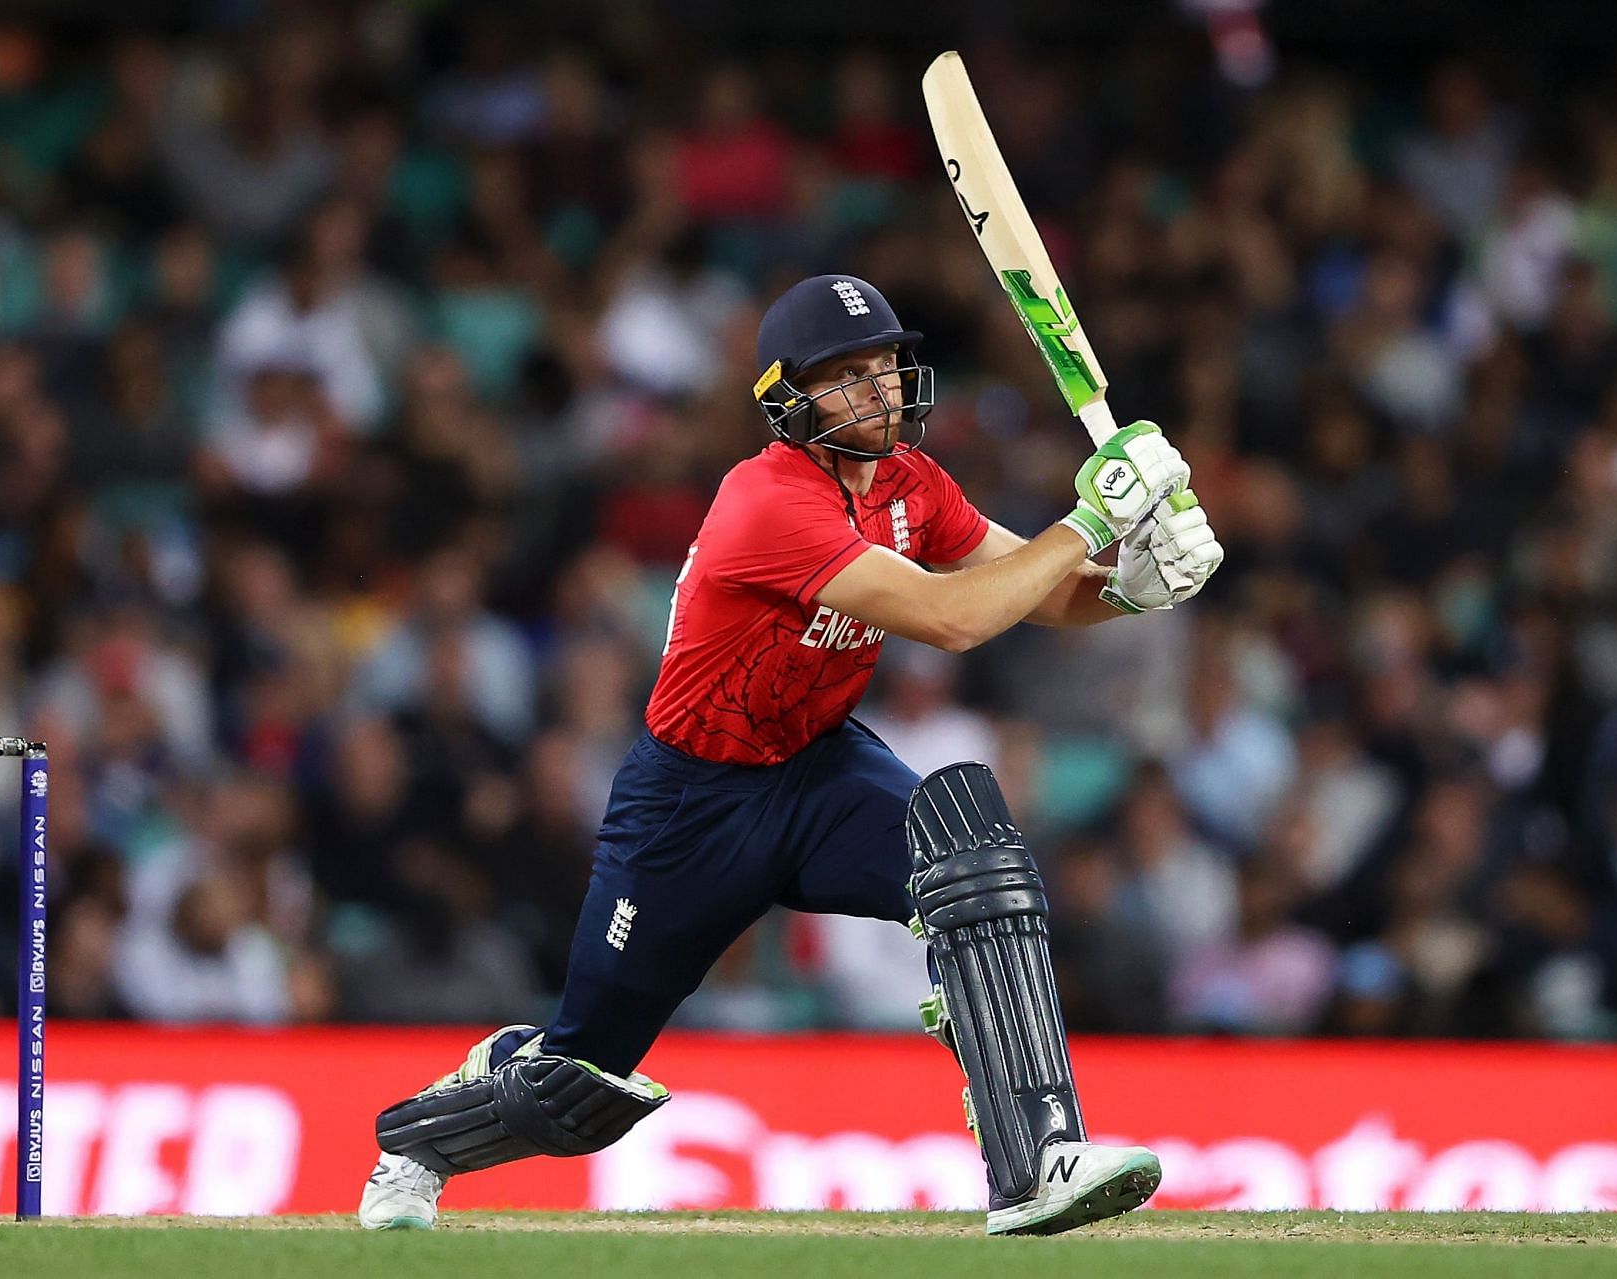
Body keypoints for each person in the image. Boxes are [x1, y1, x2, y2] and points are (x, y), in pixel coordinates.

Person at [359, 275, 1223, 1235]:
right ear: (788, 399)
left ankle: (1038, 1162)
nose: (881, 388)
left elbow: (1044, 592)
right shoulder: (763, 501)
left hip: (817, 770)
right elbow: (954, 618)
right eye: (848, 375)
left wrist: (1134, 584)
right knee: (579, 1084)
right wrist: (1092, 523)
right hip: (693, 804)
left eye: (886, 365)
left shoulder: (912, 486)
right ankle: (417, 1143)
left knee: (971, 856)